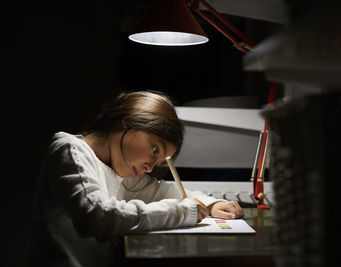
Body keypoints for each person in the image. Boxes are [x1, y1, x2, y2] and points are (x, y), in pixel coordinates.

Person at [30, 91, 243, 266]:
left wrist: (211, 204)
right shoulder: (69, 152)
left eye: (159, 161)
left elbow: (166, 191)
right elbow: (97, 216)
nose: (150, 167)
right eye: (154, 149)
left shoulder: (117, 169)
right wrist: (181, 211)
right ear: (126, 123)